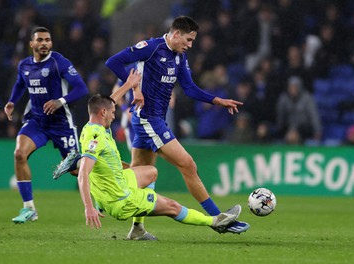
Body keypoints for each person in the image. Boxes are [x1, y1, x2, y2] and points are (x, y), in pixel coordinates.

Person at [104, 16, 249, 237]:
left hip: (154, 120)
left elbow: (189, 88)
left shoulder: (180, 57)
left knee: (141, 174)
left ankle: (137, 227)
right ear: (176, 34)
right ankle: (218, 218)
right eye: (188, 40)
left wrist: (216, 100)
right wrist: (134, 87)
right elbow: (113, 62)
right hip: (148, 118)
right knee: (187, 164)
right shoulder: (151, 47)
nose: (190, 45)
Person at [78, 92, 242, 239]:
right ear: (103, 113)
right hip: (121, 199)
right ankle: (215, 221)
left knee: (150, 172)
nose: (114, 117)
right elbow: (83, 173)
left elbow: (100, 163)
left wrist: (129, 84)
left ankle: (138, 229)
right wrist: (88, 207)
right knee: (172, 207)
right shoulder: (96, 136)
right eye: (112, 113)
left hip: (115, 185)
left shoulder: (89, 127)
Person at [4, 26, 88, 223]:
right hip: (37, 121)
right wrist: (12, 102)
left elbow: (81, 88)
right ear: (31, 44)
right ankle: (29, 208)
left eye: (47, 40)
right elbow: (20, 84)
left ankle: (118, 175)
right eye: (40, 40)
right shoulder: (24, 65)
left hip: (61, 124)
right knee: (19, 154)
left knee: (76, 169)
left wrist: (61, 101)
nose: (44, 44)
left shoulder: (59, 62)